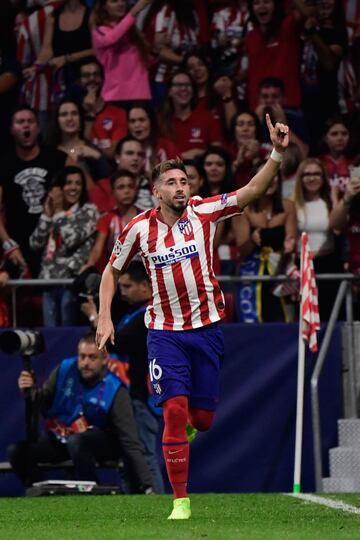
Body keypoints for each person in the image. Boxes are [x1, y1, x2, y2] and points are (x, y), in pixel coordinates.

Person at [96, 114, 289, 519]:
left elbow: (252, 191)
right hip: (164, 333)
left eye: (184, 181)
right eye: (172, 182)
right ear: (156, 192)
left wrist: (276, 153)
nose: (181, 187)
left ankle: (182, 431)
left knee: (201, 420)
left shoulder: (204, 212)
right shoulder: (137, 229)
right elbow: (110, 271)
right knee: (175, 409)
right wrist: (104, 316)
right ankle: (180, 500)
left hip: (206, 329)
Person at [7, 331, 154, 493]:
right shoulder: (64, 370)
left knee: (78, 442)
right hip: (62, 438)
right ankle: (41, 492)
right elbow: (44, 407)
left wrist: (148, 485)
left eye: (92, 357)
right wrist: (29, 392)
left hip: (101, 444)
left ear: (105, 359)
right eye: (82, 356)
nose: (86, 363)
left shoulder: (116, 390)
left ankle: (92, 492)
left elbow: (130, 442)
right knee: (16, 451)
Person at [82, 261, 165, 493]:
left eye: (128, 286)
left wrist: (94, 318)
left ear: (146, 286)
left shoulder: (149, 315)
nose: (123, 292)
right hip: (132, 397)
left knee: (144, 454)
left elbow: (116, 341)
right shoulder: (136, 314)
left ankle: (157, 500)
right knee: (129, 456)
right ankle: (134, 504)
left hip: (143, 397)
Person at [0, 105, 68, 278]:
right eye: (20, 122)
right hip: (18, 243)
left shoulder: (58, 158)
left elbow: (83, 192)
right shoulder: (3, 164)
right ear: (12, 130)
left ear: (38, 128)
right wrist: (8, 244)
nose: (26, 126)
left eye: (30, 121)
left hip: (54, 242)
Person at [29, 165, 99, 326]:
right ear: (60, 187)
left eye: (78, 183)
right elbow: (35, 244)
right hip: (48, 283)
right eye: (68, 183)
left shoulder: (88, 211)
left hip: (71, 283)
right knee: (52, 335)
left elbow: (71, 239)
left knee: (68, 334)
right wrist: (47, 215)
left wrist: (59, 212)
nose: (73, 187)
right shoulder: (53, 212)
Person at [92, 0, 152, 105]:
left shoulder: (132, 30)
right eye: (114, 1)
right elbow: (111, 39)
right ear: (104, 6)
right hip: (115, 97)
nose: (121, 4)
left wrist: (155, 51)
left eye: (123, 0)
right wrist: (134, 12)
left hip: (140, 94)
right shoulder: (100, 32)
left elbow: (144, 62)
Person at [82, 169, 141, 274]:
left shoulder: (147, 217)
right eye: (121, 187)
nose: (126, 191)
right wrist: (89, 265)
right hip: (116, 273)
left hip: (143, 273)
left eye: (130, 186)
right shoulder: (107, 218)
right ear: (113, 192)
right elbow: (97, 249)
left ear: (136, 190)